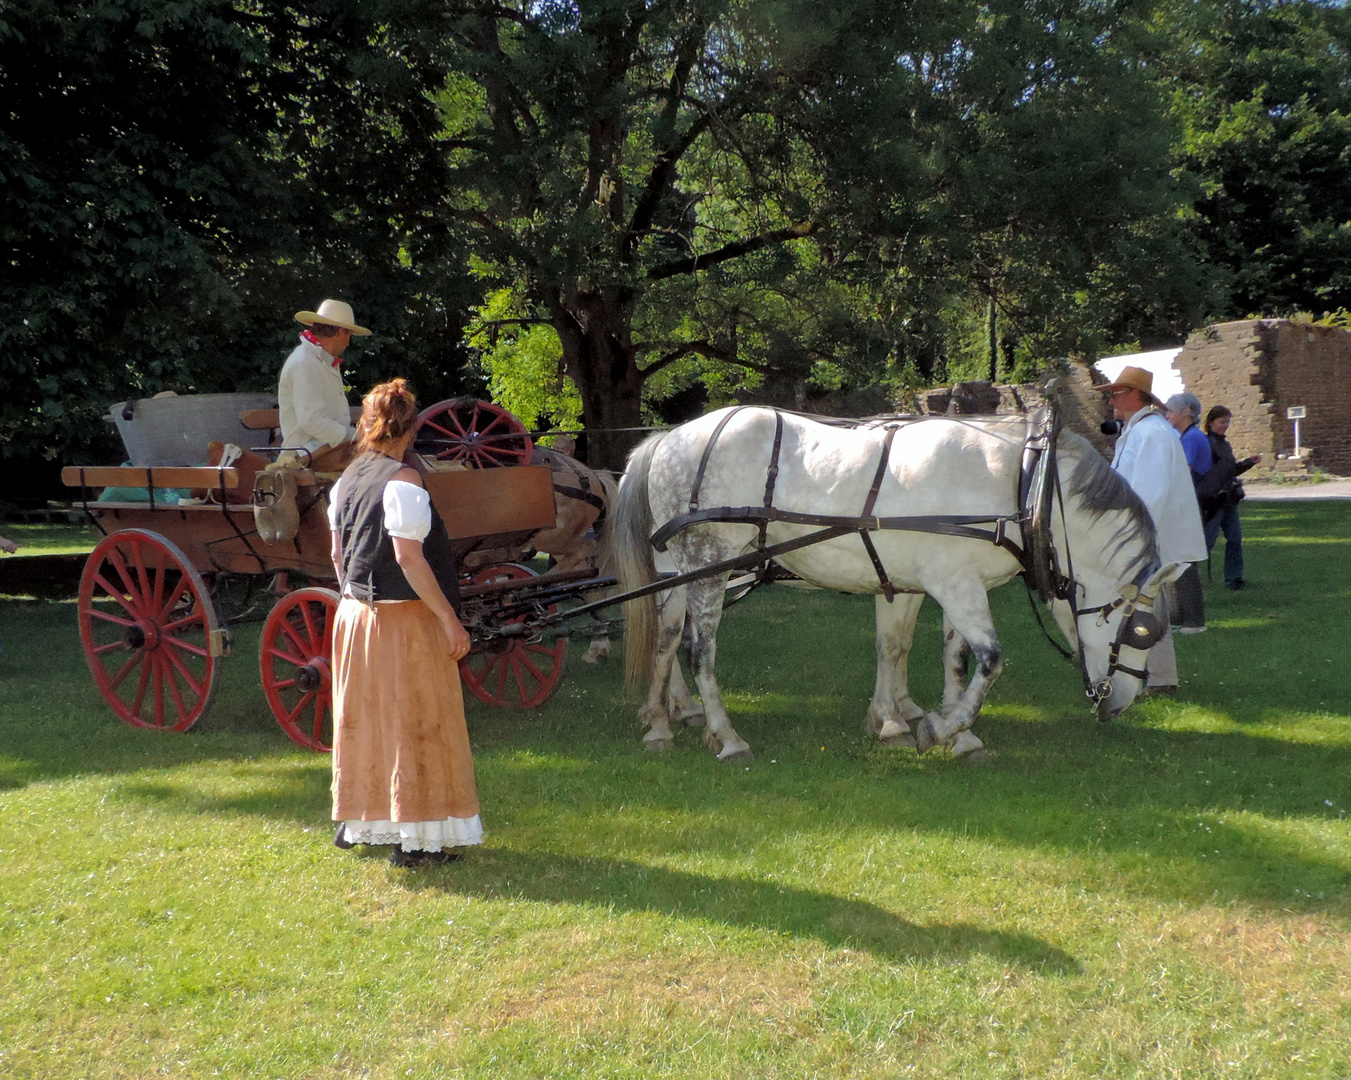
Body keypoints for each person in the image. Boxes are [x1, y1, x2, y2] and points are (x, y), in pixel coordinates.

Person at [328, 379, 482, 867]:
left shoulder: (347, 478)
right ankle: (415, 842)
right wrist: (449, 619)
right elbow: (410, 560)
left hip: (354, 618)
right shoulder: (403, 481)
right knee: (418, 723)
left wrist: (355, 595)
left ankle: (361, 824)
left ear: (368, 426)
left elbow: (337, 554)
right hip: (402, 623)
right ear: (410, 430)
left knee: (368, 722)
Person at [1100, 366, 1207, 694]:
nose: (1110, 400)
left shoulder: (1152, 433)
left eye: (1115, 393)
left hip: (1147, 538)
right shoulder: (1142, 430)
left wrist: (1130, 537)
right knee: (1141, 606)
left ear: (1135, 395)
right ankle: (1157, 677)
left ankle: (1155, 678)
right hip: (1143, 537)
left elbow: (1150, 493)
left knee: (1141, 605)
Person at [278, 299, 371, 472]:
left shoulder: (320, 360)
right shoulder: (304, 362)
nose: (348, 342)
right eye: (348, 334)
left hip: (324, 449)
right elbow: (311, 421)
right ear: (340, 332)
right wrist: (354, 436)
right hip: (305, 455)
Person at [1199, 405, 1262, 590]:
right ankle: (1185, 580)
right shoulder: (1205, 444)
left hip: (1228, 501)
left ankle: (1234, 579)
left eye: (1227, 422)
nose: (1225, 426)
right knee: (1205, 543)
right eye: (1221, 422)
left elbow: (1230, 471)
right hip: (1213, 501)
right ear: (1211, 423)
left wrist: (1248, 463)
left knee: (1235, 539)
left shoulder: (1225, 445)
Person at [1163, 392, 1210, 633]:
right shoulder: (1185, 437)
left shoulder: (1191, 439)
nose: (1167, 414)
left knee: (1185, 562)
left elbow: (1182, 470)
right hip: (1186, 506)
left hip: (1189, 507)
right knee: (1177, 560)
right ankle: (1179, 618)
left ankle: (1193, 621)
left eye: (1171, 410)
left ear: (1187, 412)